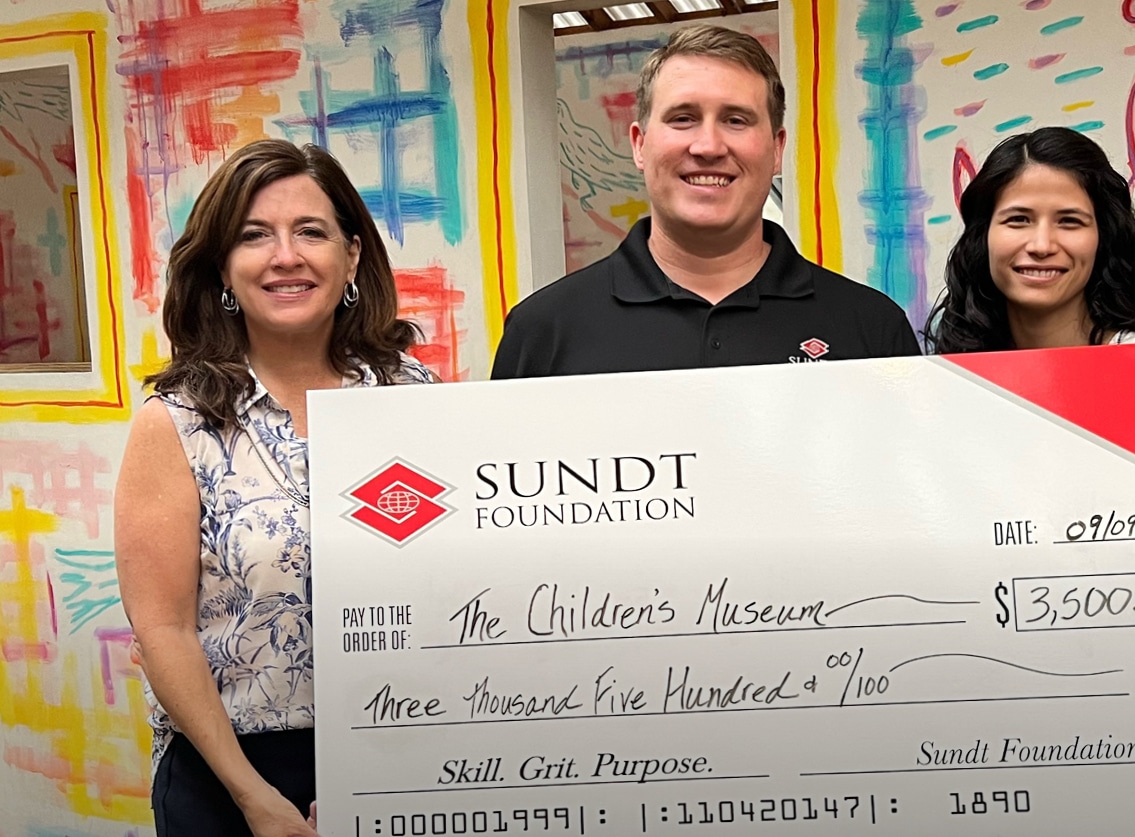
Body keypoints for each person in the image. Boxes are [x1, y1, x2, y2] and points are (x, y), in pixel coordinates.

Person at [115, 139, 435, 835]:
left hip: (400, 748)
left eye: (310, 231)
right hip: (232, 774)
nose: (285, 255)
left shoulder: (414, 394)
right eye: (255, 235)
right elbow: (162, 628)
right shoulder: (175, 422)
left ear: (351, 256)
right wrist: (255, 798)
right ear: (224, 268)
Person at [491, 24, 920, 378]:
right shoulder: (542, 331)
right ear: (640, 145)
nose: (708, 145)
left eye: (736, 120)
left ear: (776, 149)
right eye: (683, 119)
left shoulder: (872, 328)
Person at [924, 126, 1135, 352]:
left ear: (1103, 238)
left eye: (1069, 221)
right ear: (982, 237)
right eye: (1019, 219)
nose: (1042, 246)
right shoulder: (951, 377)